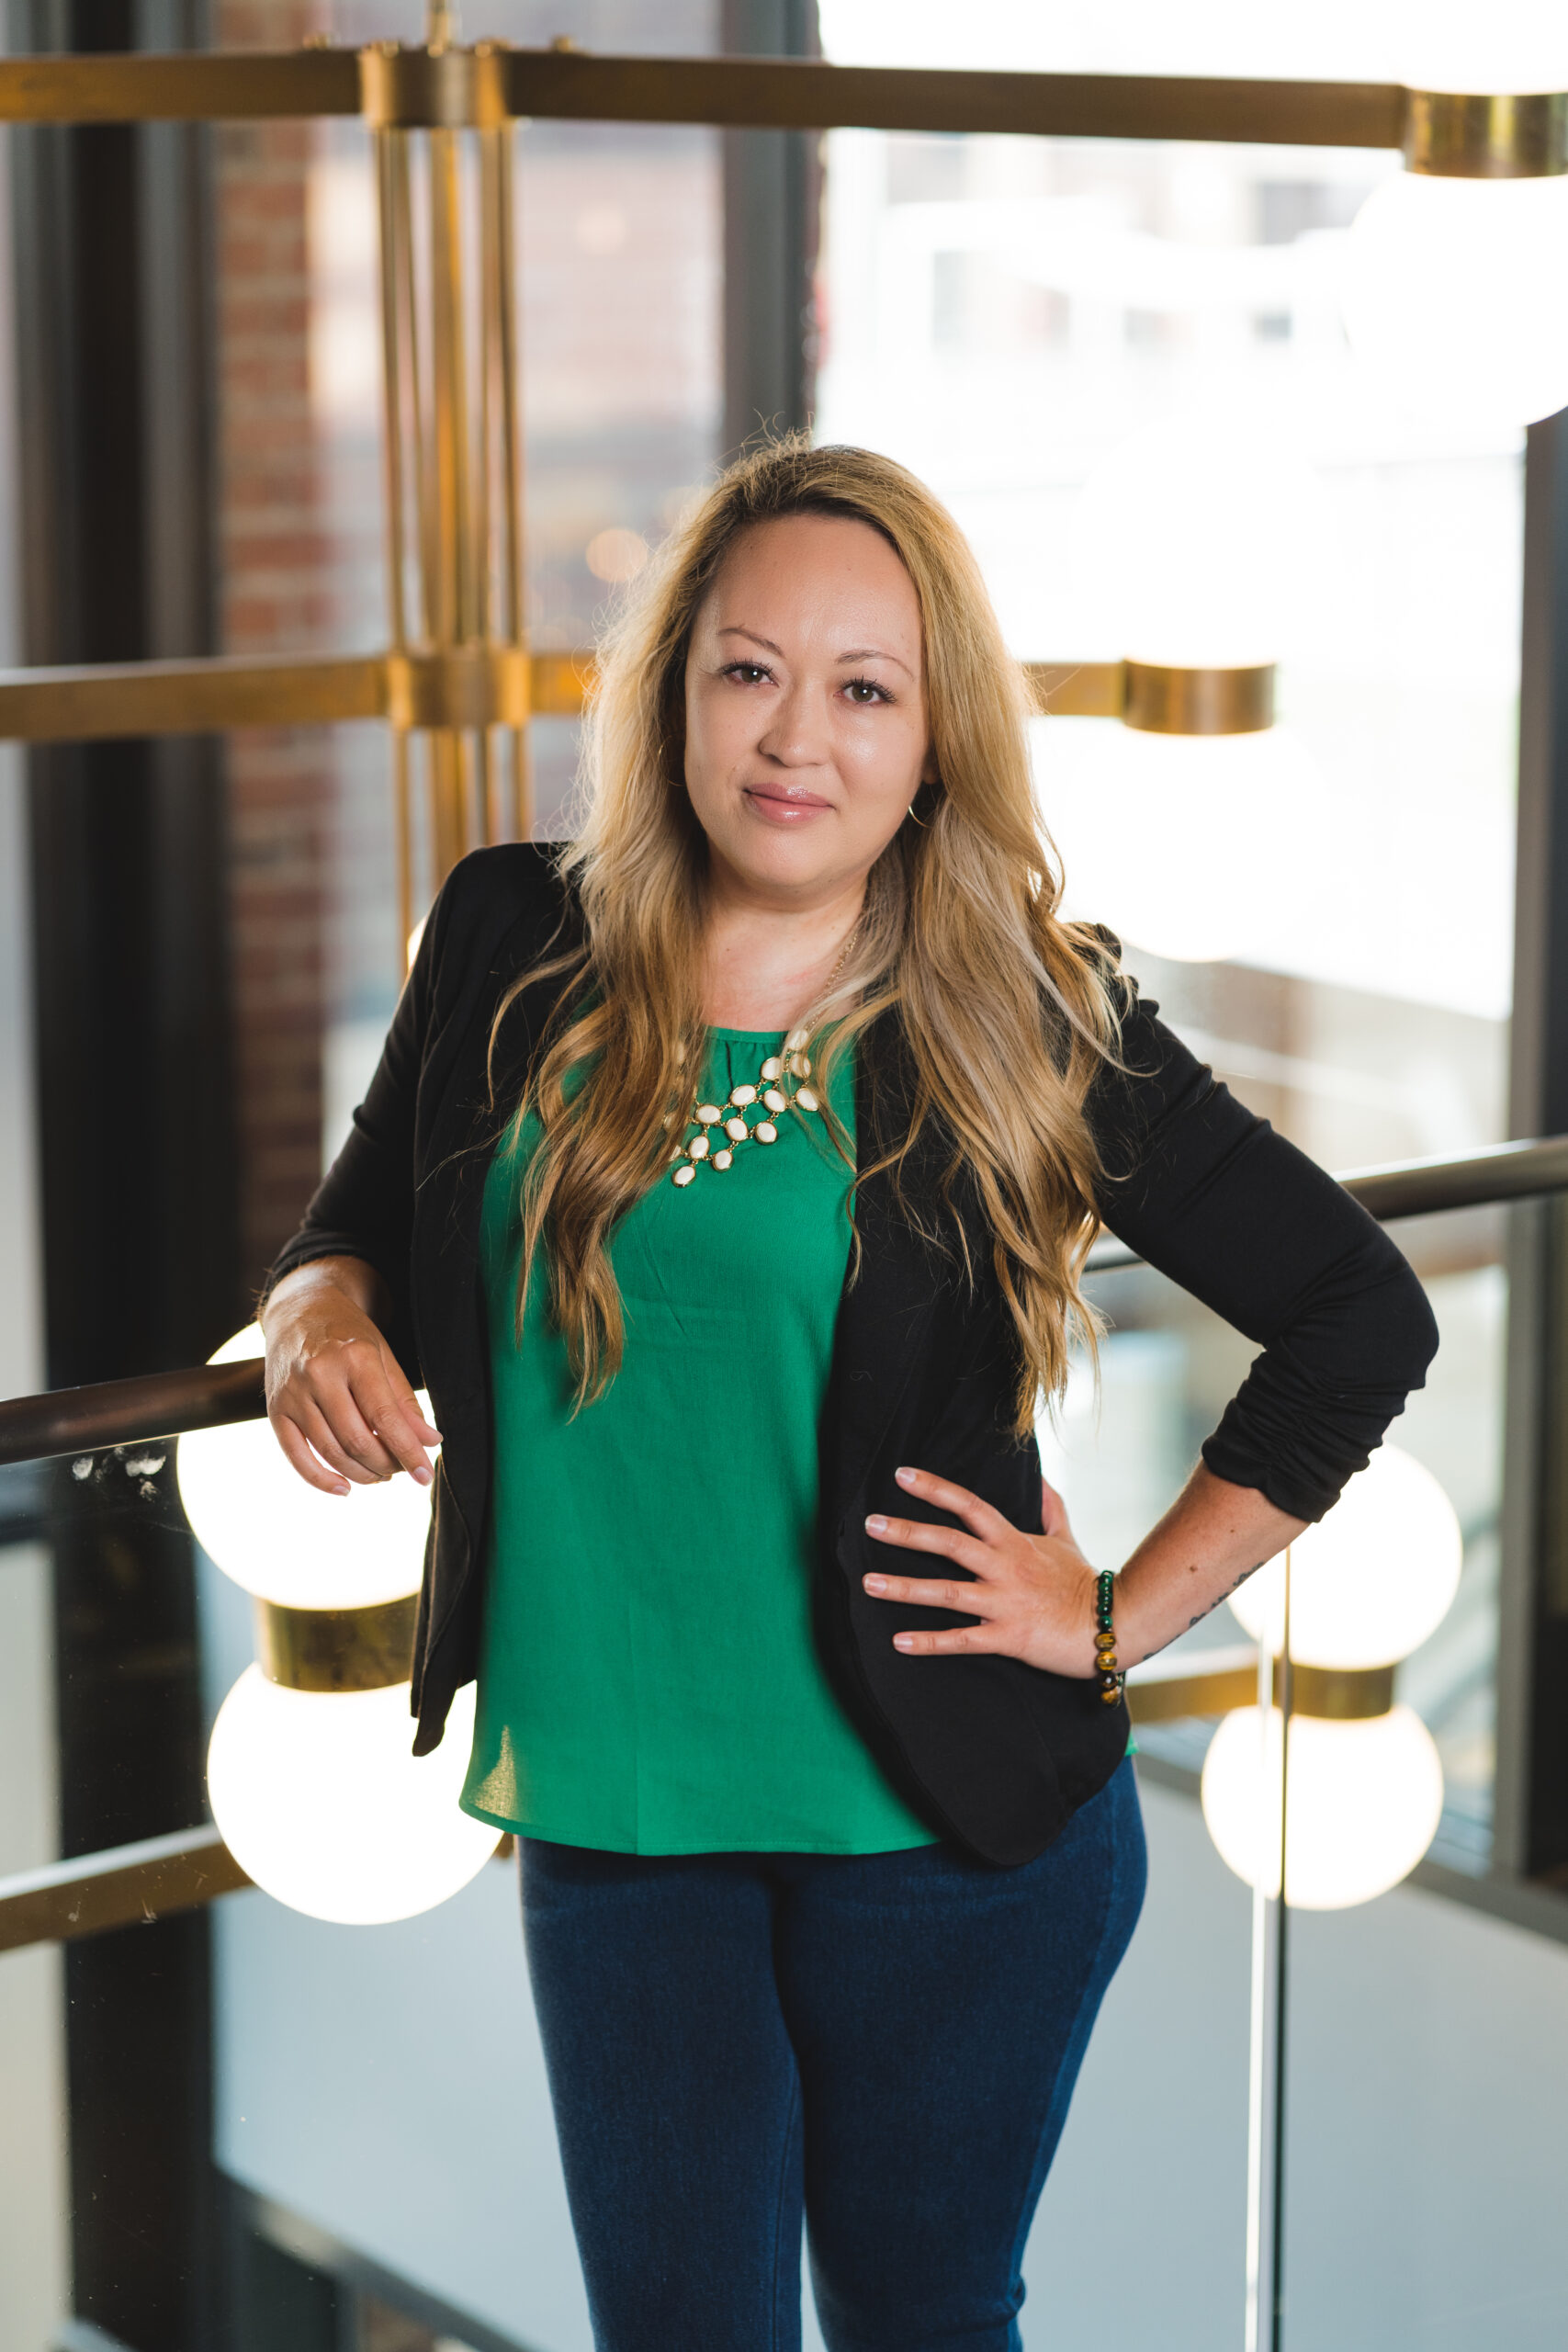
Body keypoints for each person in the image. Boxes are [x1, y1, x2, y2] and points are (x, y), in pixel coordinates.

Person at [259, 438, 1438, 2352]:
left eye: (861, 688)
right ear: (673, 692)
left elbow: (1352, 1313)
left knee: (916, 2320)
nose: (792, 735)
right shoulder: (508, 932)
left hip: (940, 1824)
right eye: (745, 668)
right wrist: (314, 1305)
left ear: (930, 739)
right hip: (615, 1806)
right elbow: (363, 1208)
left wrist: (1119, 1611)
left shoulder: (1023, 1008)